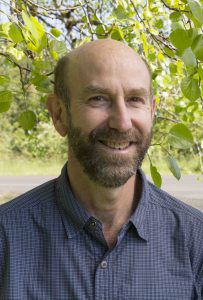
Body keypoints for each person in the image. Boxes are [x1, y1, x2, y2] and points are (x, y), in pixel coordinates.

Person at [0, 39, 202, 300]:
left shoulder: (196, 242)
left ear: (152, 111)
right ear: (59, 114)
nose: (121, 122)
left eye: (134, 99)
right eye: (98, 98)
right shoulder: (5, 239)